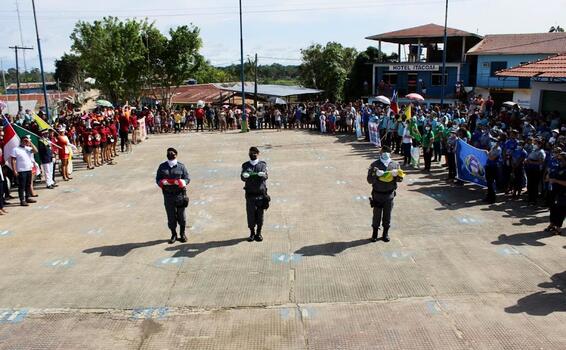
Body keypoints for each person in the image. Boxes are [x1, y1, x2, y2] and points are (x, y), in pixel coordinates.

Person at [367, 146, 405, 242]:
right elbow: (369, 180)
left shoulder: (395, 164)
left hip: (389, 195)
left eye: (387, 152)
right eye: (383, 152)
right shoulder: (374, 165)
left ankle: (385, 233)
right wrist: (375, 175)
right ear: (380, 153)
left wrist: (396, 176)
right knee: (377, 215)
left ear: (390, 153)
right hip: (377, 194)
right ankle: (374, 233)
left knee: (387, 215)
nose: (385, 153)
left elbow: (400, 179)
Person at [155, 148, 190, 244]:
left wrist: (183, 182)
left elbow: (187, 178)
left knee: (181, 216)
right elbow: (158, 179)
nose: (171, 155)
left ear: (176, 155)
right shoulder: (162, 167)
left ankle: (182, 234)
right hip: (168, 196)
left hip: (179, 195)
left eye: (173, 154)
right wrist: (162, 182)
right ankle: (173, 234)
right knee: (171, 217)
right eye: (169, 154)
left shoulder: (181, 167)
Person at [241, 147, 269, 242]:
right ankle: (252, 233)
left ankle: (259, 233)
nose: (253, 154)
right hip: (250, 195)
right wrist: (244, 176)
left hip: (260, 195)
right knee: (250, 215)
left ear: (258, 153)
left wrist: (263, 175)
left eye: (254, 153)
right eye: (251, 153)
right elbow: (242, 177)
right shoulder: (245, 165)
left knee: (260, 215)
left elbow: (266, 175)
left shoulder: (262, 165)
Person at [10, 135, 38, 206]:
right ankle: (22, 200)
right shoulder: (15, 149)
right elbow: (13, 160)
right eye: (24, 140)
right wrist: (14, 170)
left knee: (28, 185)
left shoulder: (28, 148)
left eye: (26, 141)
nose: (25, 142)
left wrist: (30, 142)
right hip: (21, 170)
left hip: (28, 169)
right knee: (22, 186)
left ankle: (27, 197)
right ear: (21, 141)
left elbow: (36, 150)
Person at [545, 152, 566, 235]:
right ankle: (552, 224)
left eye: (562, 160)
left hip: (563, 193)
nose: (560, 161)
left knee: (561, 210)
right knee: (553, 208)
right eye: (559, 160)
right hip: (554, 191)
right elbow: (549, 176)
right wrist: (548, 177)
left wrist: (555, 181)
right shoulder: (557, 167)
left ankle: (558, 228)